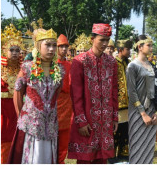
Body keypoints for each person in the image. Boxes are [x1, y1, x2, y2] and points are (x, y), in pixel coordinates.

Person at [9, 27, 64, 164]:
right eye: (48, 45)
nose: (51, 49)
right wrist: (22, 115)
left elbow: (56, 95)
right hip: (30, 125)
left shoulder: (59, 70)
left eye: (54, 45)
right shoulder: (27, 67)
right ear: (38, 46)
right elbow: (17, 93)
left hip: (50, 123)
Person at [68, 23, 118, 164]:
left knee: (102, 159)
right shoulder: (79, 61)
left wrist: (114, 117)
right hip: (87, 120)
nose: (104, 44)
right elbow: (75, 95)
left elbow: (114, 90)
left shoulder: (111, 62)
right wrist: (81, 121)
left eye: (107, 40)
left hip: (105, 120)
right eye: (101, 40)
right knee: (84, 159)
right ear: (92, 39)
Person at [126, 35, 157, 164]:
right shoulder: (132, 66)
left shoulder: (150, 65)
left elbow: (155, 89)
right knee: (137, 147)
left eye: (151, 45)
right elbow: (131, 92)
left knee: (148, 147)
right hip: (138, 111)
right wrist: (143, 113)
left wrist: (155, 111)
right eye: (148, 45)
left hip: (151, 110)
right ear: (140, 47)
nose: (151, 48)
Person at [1, 24, 24, 163]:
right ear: (4, 50)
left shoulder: (23, 69)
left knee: (17, 140)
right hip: (2, 112)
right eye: (11, 50)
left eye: (17, 50)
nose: (15, 52)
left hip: (18, 110)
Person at [113, 39, 132, 162]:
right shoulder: (113, 63)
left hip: (128, 104)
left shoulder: (129, 63)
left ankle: (123, 154)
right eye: (128, 49)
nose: (129, 52)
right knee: (115, 131)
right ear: (121, 50)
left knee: (126, 130)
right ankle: (111, 155)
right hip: (117, 104)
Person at [56, 34, 73, 164]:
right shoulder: (50, 64)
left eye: (65, 47)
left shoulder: (69, 65)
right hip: (55, 104)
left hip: (67, 105)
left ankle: (60, 161)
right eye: (60, 46)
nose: (63, 49)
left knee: (64, 138)